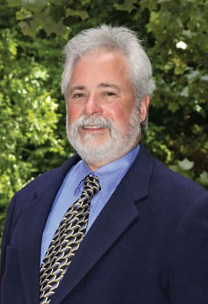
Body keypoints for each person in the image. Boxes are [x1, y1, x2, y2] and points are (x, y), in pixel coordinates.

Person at [1, 25, 208, 304]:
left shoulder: (188, 211)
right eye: (78, 94)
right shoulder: (26, 200)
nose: (90, 109)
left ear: (142, 106)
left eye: (108, 93)